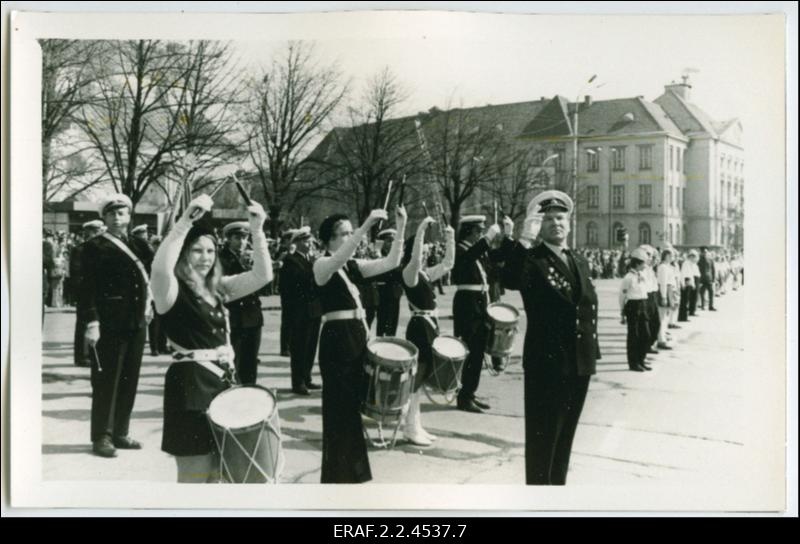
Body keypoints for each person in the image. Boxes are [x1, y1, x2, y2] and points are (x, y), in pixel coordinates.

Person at [151, 195, 272, 483]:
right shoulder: (169, 290)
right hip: (189, 389)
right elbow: (158, 267)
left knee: (223, 473)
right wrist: (184, 223)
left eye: (210, 251)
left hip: (222, 385)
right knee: (195, 475)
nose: (205, 258)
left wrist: (258, 231)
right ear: (182, 253)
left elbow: (262, 276)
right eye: (196, 251)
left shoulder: (218, 288)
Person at [496, 190, 601, 485]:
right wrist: (524, 240)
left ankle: (556, 496)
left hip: (580, 360)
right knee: (544, 440)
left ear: (569, 222)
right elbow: (510, 279)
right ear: (539, 226)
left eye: (561, 217)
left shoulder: (578, 259)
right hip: (549, 362)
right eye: (549, 219)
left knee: (566, 436)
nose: (556, 223)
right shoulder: (532, 260)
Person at [313, 206, 407, 484]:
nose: (349, 238)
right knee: (340, 411)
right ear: (329, 240)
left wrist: (401, 228)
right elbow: (341, 256)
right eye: (343, 234)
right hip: (337, 340)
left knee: (351, 409)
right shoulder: (322, 264)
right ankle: (340, 476)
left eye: (350, 233)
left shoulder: (352, 267)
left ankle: (352, 474)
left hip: (355, 337)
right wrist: (365, 226)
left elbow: (391, 262)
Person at [79, 194, 154, 458]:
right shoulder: (94, 247)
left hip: (136, 321)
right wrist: (92, 322)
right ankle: (102, 436)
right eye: (112, 213)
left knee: (129, 379)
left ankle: (121, 432)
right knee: (106, 380)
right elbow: (86, 289)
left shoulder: (140, 245)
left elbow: (153, 277)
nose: (117, 217)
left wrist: (150, 306)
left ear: (129, 215)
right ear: (105, 217)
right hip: (109, 323)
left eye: (122, 213)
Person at [400, 216, 455, 446]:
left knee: (421, 380)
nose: (423, 254)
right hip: (419, 327)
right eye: (420, 250)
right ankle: (410, 427)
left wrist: (450, 238)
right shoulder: (409, 273)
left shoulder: (423, 274)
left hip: (429, 326)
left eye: (425, 251)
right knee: (417, 378)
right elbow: (413, 259)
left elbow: (448, 264)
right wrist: (421, 228)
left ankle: (416, 425)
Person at [452, 214, 505, 413]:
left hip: (479, 304)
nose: (481, 234)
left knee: (477, 352)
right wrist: (488, 238)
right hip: (467, 306)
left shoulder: (477, 251)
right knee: (472, 353)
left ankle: (470, 393)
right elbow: (469, 257)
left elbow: (497, 256)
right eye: (479, 231)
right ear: (470, 231)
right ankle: (464, 397)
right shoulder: (460, 250)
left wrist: (508, 237)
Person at [218, 221, 266, 385]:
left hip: (253, 316)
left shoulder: (249, 258)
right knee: (234, 362)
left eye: (245, 238)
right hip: (235, 317)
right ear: (228, 239)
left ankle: (249, 392)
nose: (242, 242)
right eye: (237, 238)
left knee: (251, 361)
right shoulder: (221, 259)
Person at [279, 226, 323, 395]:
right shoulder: (291, 260)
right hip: (300, 311)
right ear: (296, 243)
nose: (309, 243)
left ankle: (307, 378)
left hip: (314, 310)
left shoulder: (310, 259)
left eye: (310, 240)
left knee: (311, 346)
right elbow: (295, 284)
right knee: (299, 348)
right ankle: (298, 382)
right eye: (305, 240)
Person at [72, 220, 105, 366]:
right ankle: (81, 356)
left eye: (99, 231)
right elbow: (77, 274)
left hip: (98, 293)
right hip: (85, 292)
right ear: (89, 232)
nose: (99, 234)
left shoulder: (99, 248)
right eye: (96, 231)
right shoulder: (81, 249)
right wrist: (80, 293)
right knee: (83, 325)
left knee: (95, 324)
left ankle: (92, 355)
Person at [620, 247, 653, 372]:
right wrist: (622, 311)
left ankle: (641, 359)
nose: (645, 265)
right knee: (634, 336)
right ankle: (633, 363)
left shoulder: (642, 275)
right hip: (632, 306)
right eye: (643, 263)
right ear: (638, 263)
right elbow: (622, 295)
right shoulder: (628, 278)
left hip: (643, 304)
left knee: (646, 334)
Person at [374, 228, 404, 337]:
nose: (391, 243)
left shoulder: (397, 256)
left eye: (393, 240)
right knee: (382, 324)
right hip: (383, 292)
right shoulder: (377, 255)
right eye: (389, 240)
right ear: (382, 242)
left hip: (395, 292)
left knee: (392, 325)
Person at [656, 248, 678, 349]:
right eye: (671, 255)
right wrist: (664, 296)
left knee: (666, 316)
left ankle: (663, 335)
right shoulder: (663, 267)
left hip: (670, 290)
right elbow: (663, 283)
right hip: (665, 291)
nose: (673, 257)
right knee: (662, 317)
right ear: (666, 256)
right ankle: (661, 339)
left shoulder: (668, 267)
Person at [697, 246, 717, 311]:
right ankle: (702, 305)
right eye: (703, 252)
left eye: (706, 252)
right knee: (702, 293)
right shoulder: (698, 260)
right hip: (702, 279)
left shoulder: (710, 260)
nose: (705, 253)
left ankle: (711, 306)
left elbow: (713, 269)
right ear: (701, 252)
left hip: (709, 279)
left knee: (711, 292)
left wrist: (713, 278)